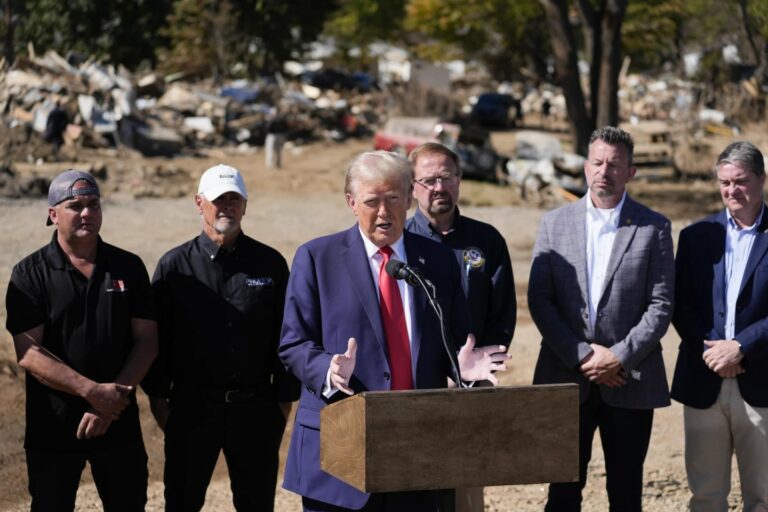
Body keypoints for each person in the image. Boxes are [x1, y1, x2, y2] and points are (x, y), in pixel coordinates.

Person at [278, 150, 510, 512]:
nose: (384, 212)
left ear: (407, 197)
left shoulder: (436, 261)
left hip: (416, 447)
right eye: (372, 201)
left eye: (393, 199)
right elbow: (293, 343)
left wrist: (459, 368)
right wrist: (326, 369)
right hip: (342, 446)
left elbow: (450, 340)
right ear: (351, 203)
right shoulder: (317, 258)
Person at [528, 126, 674, 511]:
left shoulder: (654, 227)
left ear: (631, 172)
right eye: (597, 162)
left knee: (625, 494)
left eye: (614, 164)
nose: (603, 172)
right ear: (585, 167)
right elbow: (540, 300)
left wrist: (618, 357)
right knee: (562, 493)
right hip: (565, 376)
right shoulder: (554, 224)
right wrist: (582, 355)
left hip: (630, 379)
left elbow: (660, 305)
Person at [144, 164, 299, 511]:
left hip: (255, 409)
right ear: (200, 203)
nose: (226, 206)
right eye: (218, 199)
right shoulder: (174, 267)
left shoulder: (270, 264)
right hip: (192, 409)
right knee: (182, 502)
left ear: (245, 205)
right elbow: (157, 341)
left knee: (256, 503)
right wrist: (159, 401)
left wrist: (281, 405)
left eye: (234, 199)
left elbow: (286, 335)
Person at [5, 170, 158, 511]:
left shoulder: (127, 267)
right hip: (53, 428)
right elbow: (29, 353)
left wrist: (110, 401)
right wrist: (92, 392)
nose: (87, 213)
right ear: (53, 214)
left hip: (118, 422)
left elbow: (147, 341)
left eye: (93, 204)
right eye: (75, 205)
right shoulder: (29, 274)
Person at [406, 142, 516, 512]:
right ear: (412, 186)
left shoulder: (486, 240)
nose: (440, 187)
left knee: (466, 489)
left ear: (460, 180)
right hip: (413, 386)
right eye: (429, 179)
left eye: (447, 177)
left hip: (472, 386)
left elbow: (503, 315)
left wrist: (475, 369)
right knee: (414, 482)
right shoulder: (401, 242)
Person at [671, 141, 768, 511]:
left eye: (741, 181)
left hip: (760, 380)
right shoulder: (696, 236)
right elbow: (681, 304)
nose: (732, 191)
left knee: (762, 496)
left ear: (762, 179)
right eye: (725, 182)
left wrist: (742, 347)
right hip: (704, 378)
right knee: (706, 496)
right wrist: (713, 352)